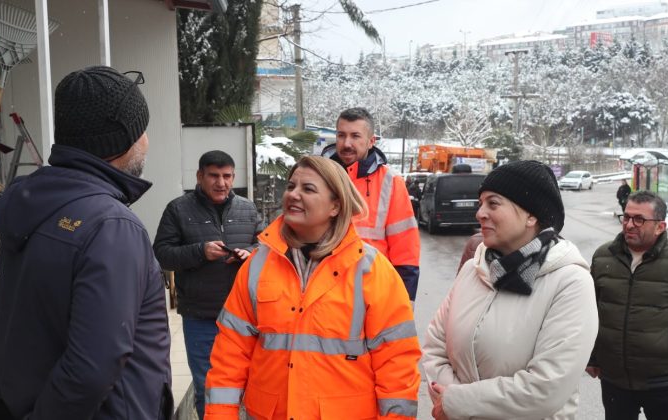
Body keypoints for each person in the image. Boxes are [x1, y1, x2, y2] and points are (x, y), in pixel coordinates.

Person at [0, 66, 172, 419]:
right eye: (142, 129)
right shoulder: (112, 226)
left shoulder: (32, 204)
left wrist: (1, 407)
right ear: (121, 141)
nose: (147, 140)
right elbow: (92, 369)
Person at [205, 156, 421, 419]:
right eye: (291, 186)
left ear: (335, 206)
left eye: (308, 189)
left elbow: (397, 364)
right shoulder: (257, 265)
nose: (294, 194)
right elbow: (230, 354)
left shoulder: (372, 271)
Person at [423, 160, 598, 419]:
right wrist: (452, 399)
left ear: (531, 215)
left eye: (493, 204)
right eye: (481, 203)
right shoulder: (474, 269)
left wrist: (458, 402)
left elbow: (546, 389)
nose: (480, 212)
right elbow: (435, 347)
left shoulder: (570, 282)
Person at [153, 150, 262, 418]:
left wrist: (250, 253)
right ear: (200, 176)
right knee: (207, 387)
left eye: (227, 176)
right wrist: (200, 251)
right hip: (200, 317)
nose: (221, 183)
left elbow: (267, 245)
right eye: (214, 175)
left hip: (245, 316)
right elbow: (162, 254)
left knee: (251, 387)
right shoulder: (178, 209)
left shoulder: (247, 209)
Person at [587, 190, 668, 420]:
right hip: (614, 379)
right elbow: (590, 311)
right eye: (626, 217)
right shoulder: (602, 257)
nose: (629, 225)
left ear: (660, 226)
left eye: (639, 219)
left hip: (664, 382)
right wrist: (592, 356)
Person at [322, 107, 421, 302]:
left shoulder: (391, 182)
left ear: (371, 141)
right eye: (341, 135)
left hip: (372, 291)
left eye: (355, 136)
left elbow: (405, 250)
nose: (346, 143)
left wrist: (405, 301)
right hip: (324, 290)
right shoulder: (321, 177)